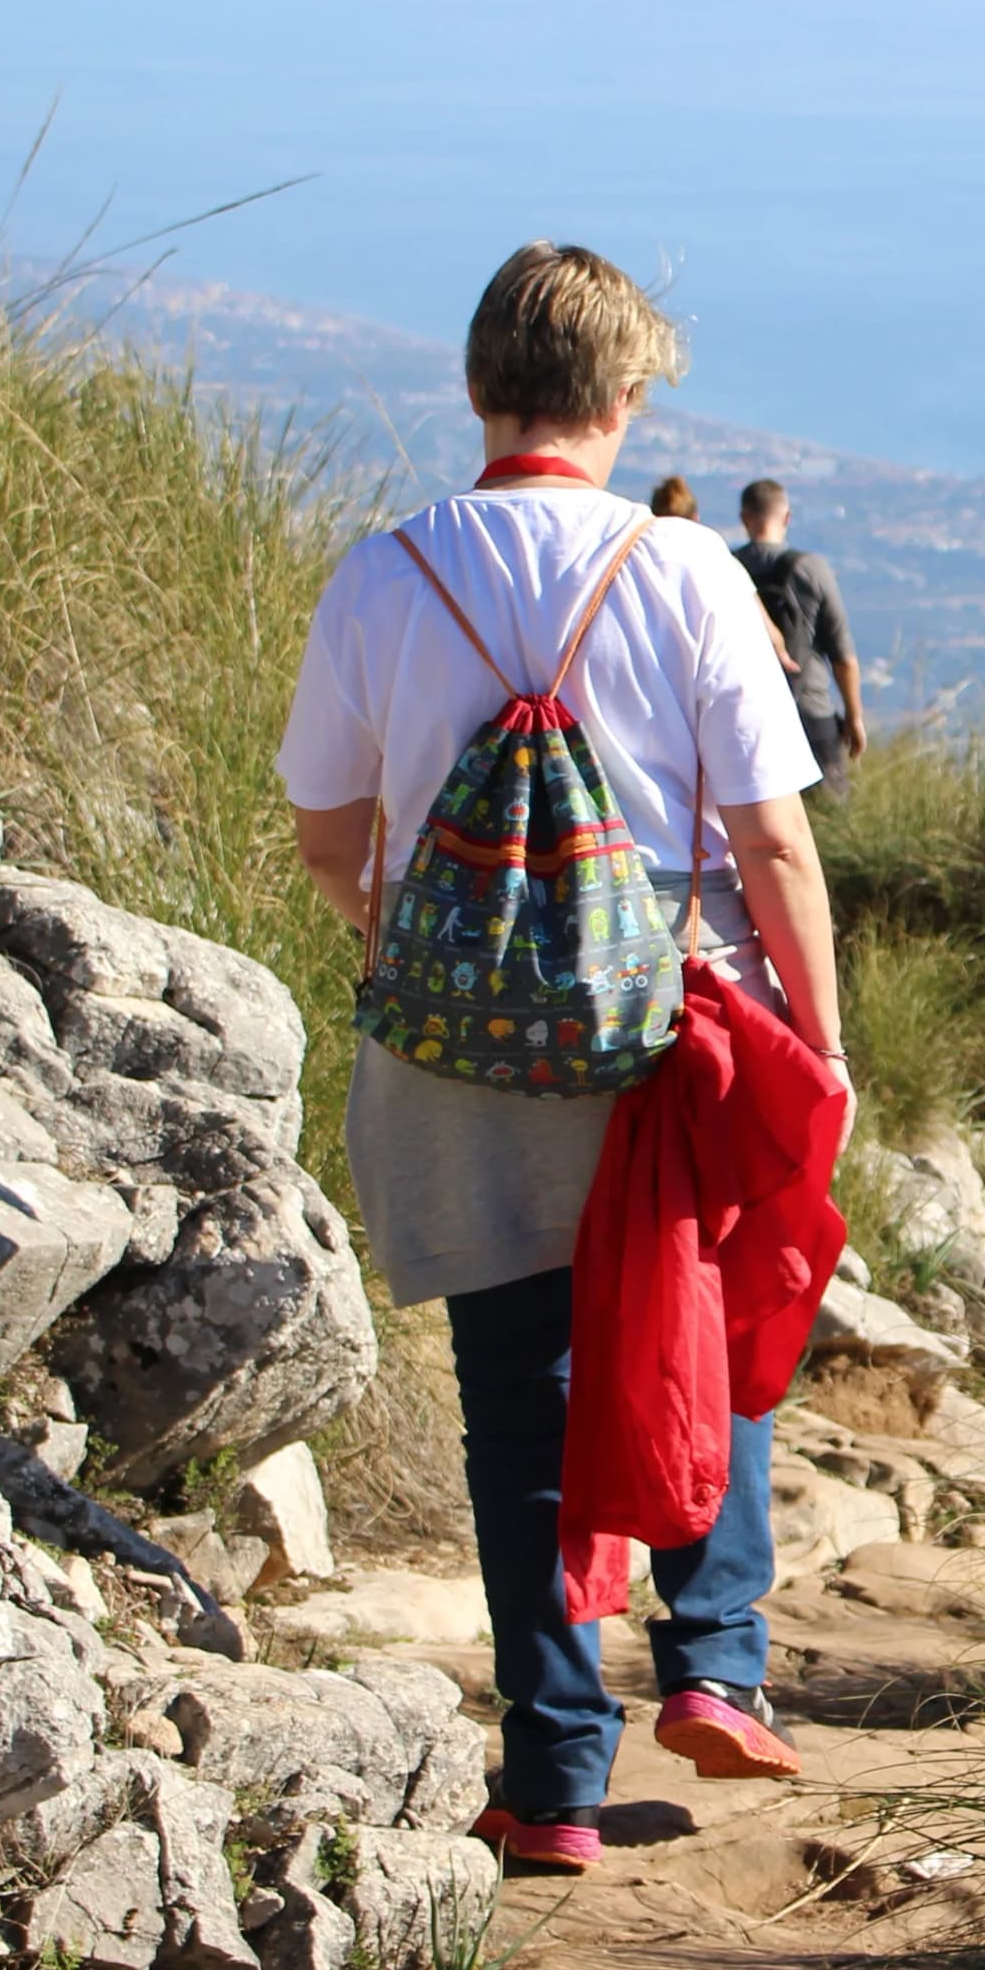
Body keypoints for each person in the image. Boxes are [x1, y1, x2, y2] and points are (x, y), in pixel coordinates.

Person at [277, 241, 847, 1878]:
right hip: (657, 1028)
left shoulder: (385, 572)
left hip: (459, 1049)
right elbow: (776, 844)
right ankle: (715, 1661)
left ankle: (548, 1782)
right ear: (626, 399)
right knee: (705, 1316)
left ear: (477, 389)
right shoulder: (682, 575)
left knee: (515, 1396)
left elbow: (328, 829)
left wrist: (417, 947)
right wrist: (817, 1032)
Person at [731, 478, 865, 812]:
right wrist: (854, 716)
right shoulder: (811, 569)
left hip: (746, 713)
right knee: (828, 814)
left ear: (745, 518)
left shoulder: (728, 569)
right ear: (786, 517)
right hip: (810, 706)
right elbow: (842, 654)